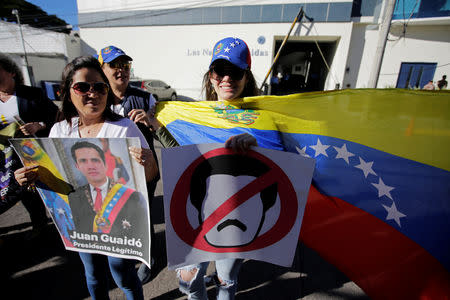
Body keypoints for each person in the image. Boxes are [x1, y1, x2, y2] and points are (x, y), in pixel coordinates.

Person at [14, 56, 158, 300]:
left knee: (122, 273)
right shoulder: (60, 130)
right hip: (80, 218)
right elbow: (55, 180)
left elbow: (150, 176)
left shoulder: (124, 128)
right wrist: (29, 178)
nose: (92, 93)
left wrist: (149, 162)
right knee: (92, 276)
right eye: (83, 87)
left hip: (118, 218)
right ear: (67, 91)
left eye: (100, 87)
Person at [171, 37, 261, 300]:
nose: (227, 78)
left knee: (226, 282)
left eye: (235, 71)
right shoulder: (194, 115)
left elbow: (286, 162)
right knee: (189, 280)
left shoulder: (263, 117)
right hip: (197, 213)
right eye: (220, 71)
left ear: (246, 76)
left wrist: (259, 146)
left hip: (240, 217)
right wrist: (155, 124)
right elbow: (178, 151)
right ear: (210, 76)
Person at [95, 45, 160, 283]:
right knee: (117, 214)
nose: (121, 70)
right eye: (114, 65)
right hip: (110, 173)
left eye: (125, 65)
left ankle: (147, 259)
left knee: (144, 216)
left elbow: (165, 135)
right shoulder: (96, 98)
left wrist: (151, 120)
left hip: (144, 170)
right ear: (102, 69)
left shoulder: (146, 97)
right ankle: (123, 255)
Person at [0, 53, 58, 236]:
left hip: (34, 153)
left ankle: (45, 226)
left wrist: (38, 125)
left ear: (12, 73)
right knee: (20, 191)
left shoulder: (32, 94)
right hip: (6, 157)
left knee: (41, 191)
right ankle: (40, 226)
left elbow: (56, 117)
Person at [69, 141, 147, 236]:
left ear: (105, 163)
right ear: (77, 166)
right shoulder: (74, 198)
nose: (90, 166)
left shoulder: (132, 197)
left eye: (95, 160)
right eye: (83, 161)